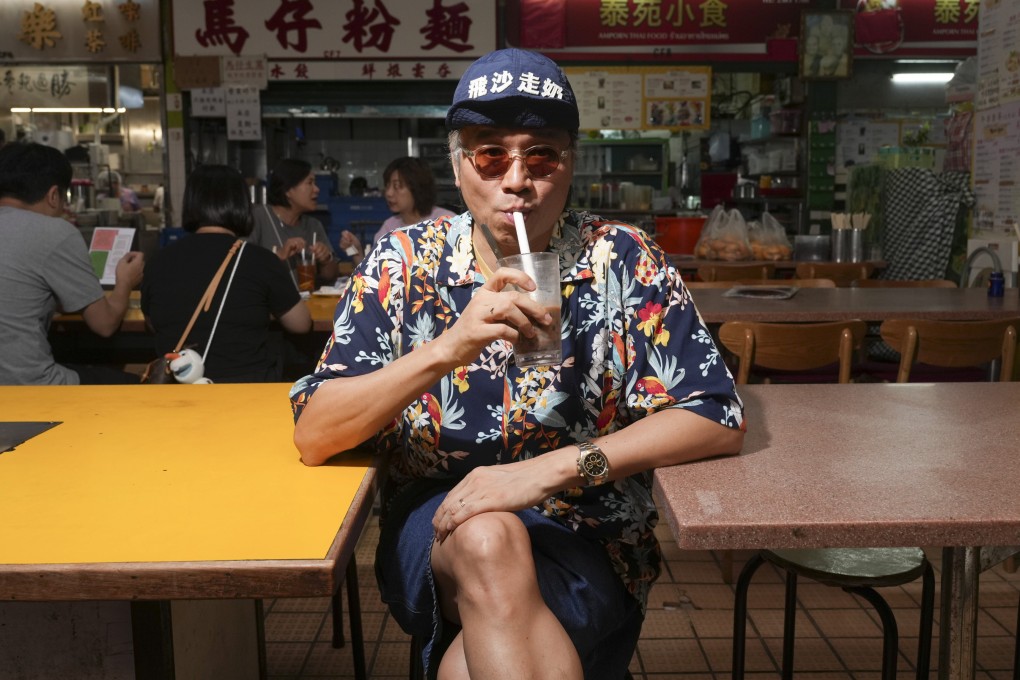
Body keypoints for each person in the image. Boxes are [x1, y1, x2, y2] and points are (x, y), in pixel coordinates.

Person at [289, 48, 745, 679]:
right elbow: (316, 434)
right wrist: (451, 346)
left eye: (541, 154)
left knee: (466, 668)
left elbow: (716, 414)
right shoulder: (401, 263)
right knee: (486, 537)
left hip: (588, 530)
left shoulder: (621, 259)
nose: (516, 179)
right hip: (439, 525)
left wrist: (553, 471)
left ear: (570, 163)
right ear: (457, 164)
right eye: (490, 153)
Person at [141, 165, 311, 383]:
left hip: (178, 391)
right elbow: (301, 324)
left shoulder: (159, 260)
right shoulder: (260, 260)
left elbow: (152, 322)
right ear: (241, 205)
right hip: (248, 390)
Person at [0, 142, 144, 385]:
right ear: (54, 195)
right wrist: (125, 281)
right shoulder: (54, 232)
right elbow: (104, 324)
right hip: (25, 386)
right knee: (139, 386)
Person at [249, 158, 344, 287]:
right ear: (288, 190)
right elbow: (240, 266)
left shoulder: (313, 226)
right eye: (309, 183)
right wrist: (278, 256)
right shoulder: (259, 217)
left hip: (306, 303)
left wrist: (326, 260)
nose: (316, 189)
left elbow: (330, 277)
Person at [372, 156, 452, 245]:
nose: (389, 193)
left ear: (417, 188)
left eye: (397, 186)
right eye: (387, 186)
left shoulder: (445, 221)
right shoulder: (389, 227)